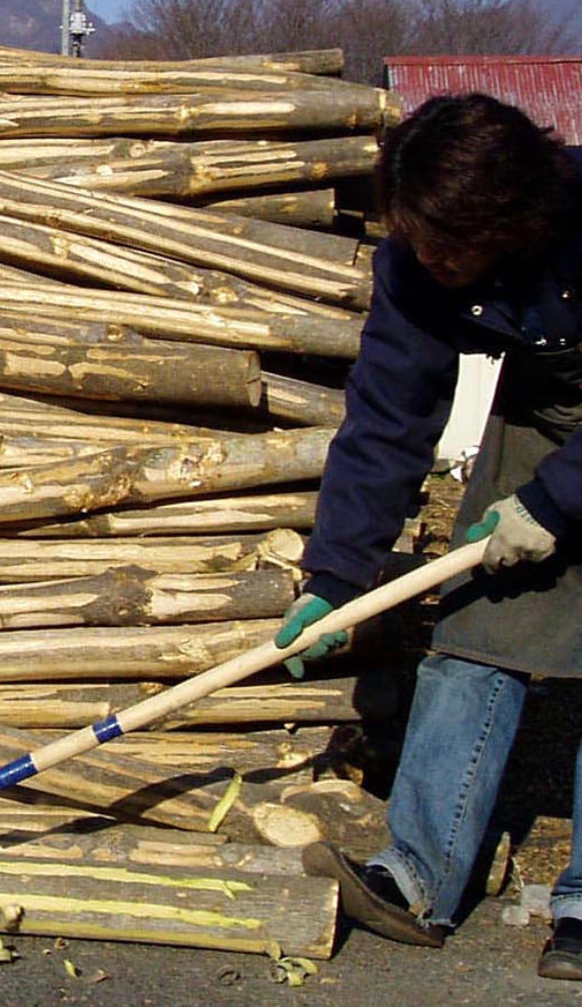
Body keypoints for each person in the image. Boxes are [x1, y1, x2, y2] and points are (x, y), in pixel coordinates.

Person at [275, 92, 582, 979]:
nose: (431, 259)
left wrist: (553, 508)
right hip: (546, 411)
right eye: (417, 239)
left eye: (452, 245)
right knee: (473, 626)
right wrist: (335, 576)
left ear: (516, 217)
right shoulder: (414, 261)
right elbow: (385, 419)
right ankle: (415, 876)